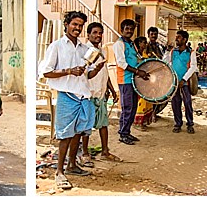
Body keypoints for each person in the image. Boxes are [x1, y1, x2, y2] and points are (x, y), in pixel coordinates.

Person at [38, 10, 101, 190]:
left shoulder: (84, 49)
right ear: (66, 24)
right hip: (67, 95)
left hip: (83, 95)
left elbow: (87, 75)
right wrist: (68, 71)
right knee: (65, 135)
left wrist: (98, 68)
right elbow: (45, 72)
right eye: (74, 24)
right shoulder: (56, 46)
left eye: (80, 25)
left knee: (79, 133)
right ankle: (59, 172)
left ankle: (72, 165)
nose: (77, 28)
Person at [80, 22, 121, 163]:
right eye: (95, 33)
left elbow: (105, 73)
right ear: (88, 34)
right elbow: (86, 73)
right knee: (86, 126)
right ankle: (84, 153)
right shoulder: (86, 51)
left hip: (101, 93)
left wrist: (111, 89)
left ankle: (105, 151)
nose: (98, 35)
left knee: (104, 124)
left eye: (100, 33)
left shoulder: (103, 51)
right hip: (89, 93)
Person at [112, 18, 149, 145]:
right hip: (125, 80)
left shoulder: (131, 43)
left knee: (132, 108)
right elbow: (122, 63)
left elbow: (136, 59)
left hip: (134, 80)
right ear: (121, 30)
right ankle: (123, 134)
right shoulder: (119, 44)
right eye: (126, 29)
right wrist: (139, 72)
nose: (129, 31)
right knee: (127, 107)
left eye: (131, 29)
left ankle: (126, 132)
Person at [164, 29, 199, 134]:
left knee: (187, 103)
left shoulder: (191, 52)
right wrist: (167, 51)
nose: (176, 39)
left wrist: (184, 80)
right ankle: (178, 124)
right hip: (174, 83)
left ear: (185, 39)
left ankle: (190, 124)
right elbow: (165, 62)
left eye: (178, 37)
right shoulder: (172, 52)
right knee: (175, 103)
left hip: (185, 83)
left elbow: (193, 67)